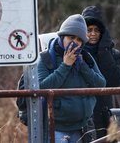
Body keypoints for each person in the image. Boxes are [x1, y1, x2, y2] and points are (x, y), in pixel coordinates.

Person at [37, 14, 106, 143]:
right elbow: (42, 87)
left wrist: (83, 66)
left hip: (83, 127)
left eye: (79, 40)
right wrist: (66, 66)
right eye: (71, 37)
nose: (75, 43)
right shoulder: (46, 58)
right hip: (56, 127)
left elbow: (101, 84)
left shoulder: (86, 57)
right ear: (62, 37)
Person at [82, 6, 120, 138]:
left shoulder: (112, 54)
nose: (93, 34)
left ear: (103, 32)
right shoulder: (75, 54)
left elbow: (115, 81)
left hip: (106, 112)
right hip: (83, 113)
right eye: (89, 30)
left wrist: (103, 51)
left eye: (97, 30)